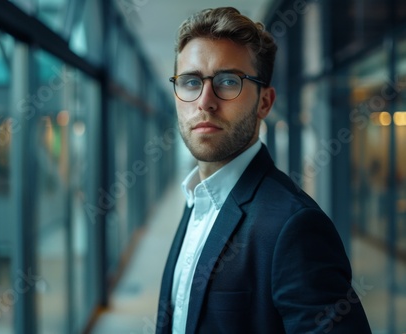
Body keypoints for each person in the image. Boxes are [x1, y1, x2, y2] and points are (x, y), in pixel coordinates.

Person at [156, 7, 371, 334]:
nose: (205, 101)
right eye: (190, 82)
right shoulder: (196, 199)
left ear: (264, 103)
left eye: (228, 81)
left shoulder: (294, 226)